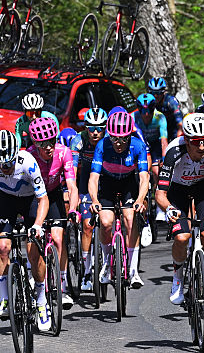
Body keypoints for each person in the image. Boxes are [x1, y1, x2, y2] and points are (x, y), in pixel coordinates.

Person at [155, 112, 204, 317]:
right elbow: (160, 194)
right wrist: (169, 209)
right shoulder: (173, 151)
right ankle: (178, 279)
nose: (202, 147)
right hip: (178, 190)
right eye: (197, 142)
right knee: (182, 237)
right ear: (187, 140)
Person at [0, 129, 50, 330]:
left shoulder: (28, 162)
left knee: (32, 251)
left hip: (30, 201)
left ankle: (42, 303)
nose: (5, 167)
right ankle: (5, 299)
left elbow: (43, 198)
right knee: (2, 247)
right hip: (6, 200)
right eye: (1, 164)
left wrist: (37, 226)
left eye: (8, 163)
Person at [88, 111, 150, 288]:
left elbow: (144, 178)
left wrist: (140, 199)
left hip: (129, 185)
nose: (118, 143)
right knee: (106, 222)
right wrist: (94, 200)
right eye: (114, 138)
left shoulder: (138, 146)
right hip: (108, 184)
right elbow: (93, 178)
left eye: (123, 139)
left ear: (129, 135)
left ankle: (133, 270)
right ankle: (107, 262)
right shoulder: (102, 145)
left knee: (130, 219)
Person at [24, 116, 79, 302]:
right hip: (33, 197)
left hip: (54, 194)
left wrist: (72, 210)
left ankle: (61, 287)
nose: (48, 147)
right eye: (42, 143)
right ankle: (35, 274)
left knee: (57, 238)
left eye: (51, 141)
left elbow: (71, 186)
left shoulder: (63, 152)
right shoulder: (29, 155)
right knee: (32, 241)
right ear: (35, 143)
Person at [69, 106, 107, 291]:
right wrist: (71, 194)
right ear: (85, 127)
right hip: (85, 183)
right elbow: (73, 173)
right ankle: (86, 272)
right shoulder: (78, 141)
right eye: (91, 128)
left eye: (100, 127)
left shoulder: (109, 141)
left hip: (105, 183)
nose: (95, 132)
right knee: (87, 225)